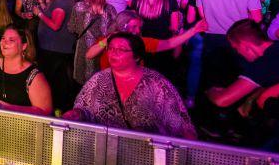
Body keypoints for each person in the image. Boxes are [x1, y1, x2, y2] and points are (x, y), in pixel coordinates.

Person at [66, 33, 196, 138]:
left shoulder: (156, 83)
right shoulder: (99, 79)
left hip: (145, 154)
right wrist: (77, 114)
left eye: (121, 50)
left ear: (136, 57)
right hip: (105, 149)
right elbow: (84, 109)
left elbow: (182, 125)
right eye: (111, 48)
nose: (113, 53)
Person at [0, 27, 52, 114]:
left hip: (20, 122)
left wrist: (7, 108)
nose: (4, 42)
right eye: (3, 38)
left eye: (11, 40)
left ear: (24, 46)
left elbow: (45, 111)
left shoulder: (33, 75)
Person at [36, 0, 76, 111]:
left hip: (54, 50)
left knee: (54, 84)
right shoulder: (61, 1)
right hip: (54, 48)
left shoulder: (62, 3)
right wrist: (42, 3)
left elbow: (55, 25)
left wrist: (39, 13)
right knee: (57, 83)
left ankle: (53, 111)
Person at [68, 0, 116, 85]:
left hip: (83, 49)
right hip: (103, 48)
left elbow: (71, 28)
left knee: (82, 80)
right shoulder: (110, 9)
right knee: (101, 82)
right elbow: (114, 30)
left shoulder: (79, 7)